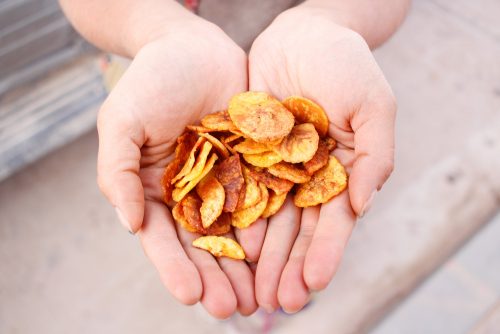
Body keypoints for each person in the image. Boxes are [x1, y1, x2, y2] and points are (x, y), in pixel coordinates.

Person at [59, 0, 410, 319]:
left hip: (313, 74)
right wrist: (160, 30)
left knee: (306, 249)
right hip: (154, 70)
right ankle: (257, 310)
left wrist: (333, 18)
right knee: (225, 274)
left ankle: (279, 301)